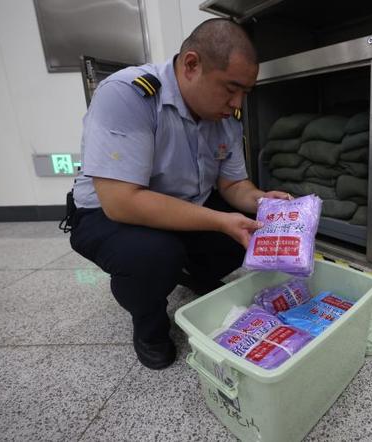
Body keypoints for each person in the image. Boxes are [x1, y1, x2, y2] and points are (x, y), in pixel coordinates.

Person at [68, 19, 290, 370]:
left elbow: (233, 186)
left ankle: (192, 271)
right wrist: (219, 221)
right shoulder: (130, 94)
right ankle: (149, 325)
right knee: (153, 256)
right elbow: (122, 200)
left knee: (244, 231)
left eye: (245, 92)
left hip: (184, 207)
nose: (237, 101)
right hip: (107, 214)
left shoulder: (225, 119)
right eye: (231, 88)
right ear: (191, 65)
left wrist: (262, 201)